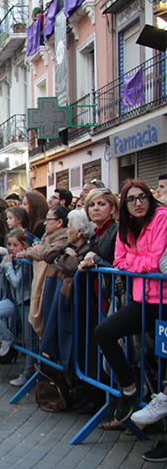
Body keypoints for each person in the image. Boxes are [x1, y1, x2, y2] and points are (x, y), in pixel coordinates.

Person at [95, 180, 167, 422]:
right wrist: (140, 264)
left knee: (163, 363)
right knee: (104, 332)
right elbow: (119, 261)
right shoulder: (126, 226)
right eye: (132, 199)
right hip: (142, 300)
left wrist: (135, 263)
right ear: (124, 204)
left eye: (143, 197)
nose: (138, 203)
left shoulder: (162, 218)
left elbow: (157, 262)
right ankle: (130, 389)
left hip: (164, 301)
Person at [76, 188, 119, 417]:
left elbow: (119, 265)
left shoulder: (115, 231)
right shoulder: (97, 233)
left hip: (113, 299)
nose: (96, 209)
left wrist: (95, 259)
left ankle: (117, 407)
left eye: (102, 204)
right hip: (99, 299)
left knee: (112, 359)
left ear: (112, 207)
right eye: (92, 205)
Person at [39, 210, 94, 369]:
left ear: (79, 232)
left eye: (69, 228)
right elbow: (48, 255)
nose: (67, 231)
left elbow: (71, 267)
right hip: (59, 303)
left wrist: (64, 258)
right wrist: (64, 250)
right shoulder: (69, 245)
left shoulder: (86, 249)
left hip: (77, 308)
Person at [0, 229, 30, 358]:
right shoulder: (9, 259)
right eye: (9, 245)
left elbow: (16, 282)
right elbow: (1, 285)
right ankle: (7, 336)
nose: (11, 249)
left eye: (15, 245)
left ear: (23, 245)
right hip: (12, 300)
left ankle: (28, 373)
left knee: (28, 341)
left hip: (26, 302)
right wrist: (0, 268)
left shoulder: (24, 260)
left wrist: (8, 266)